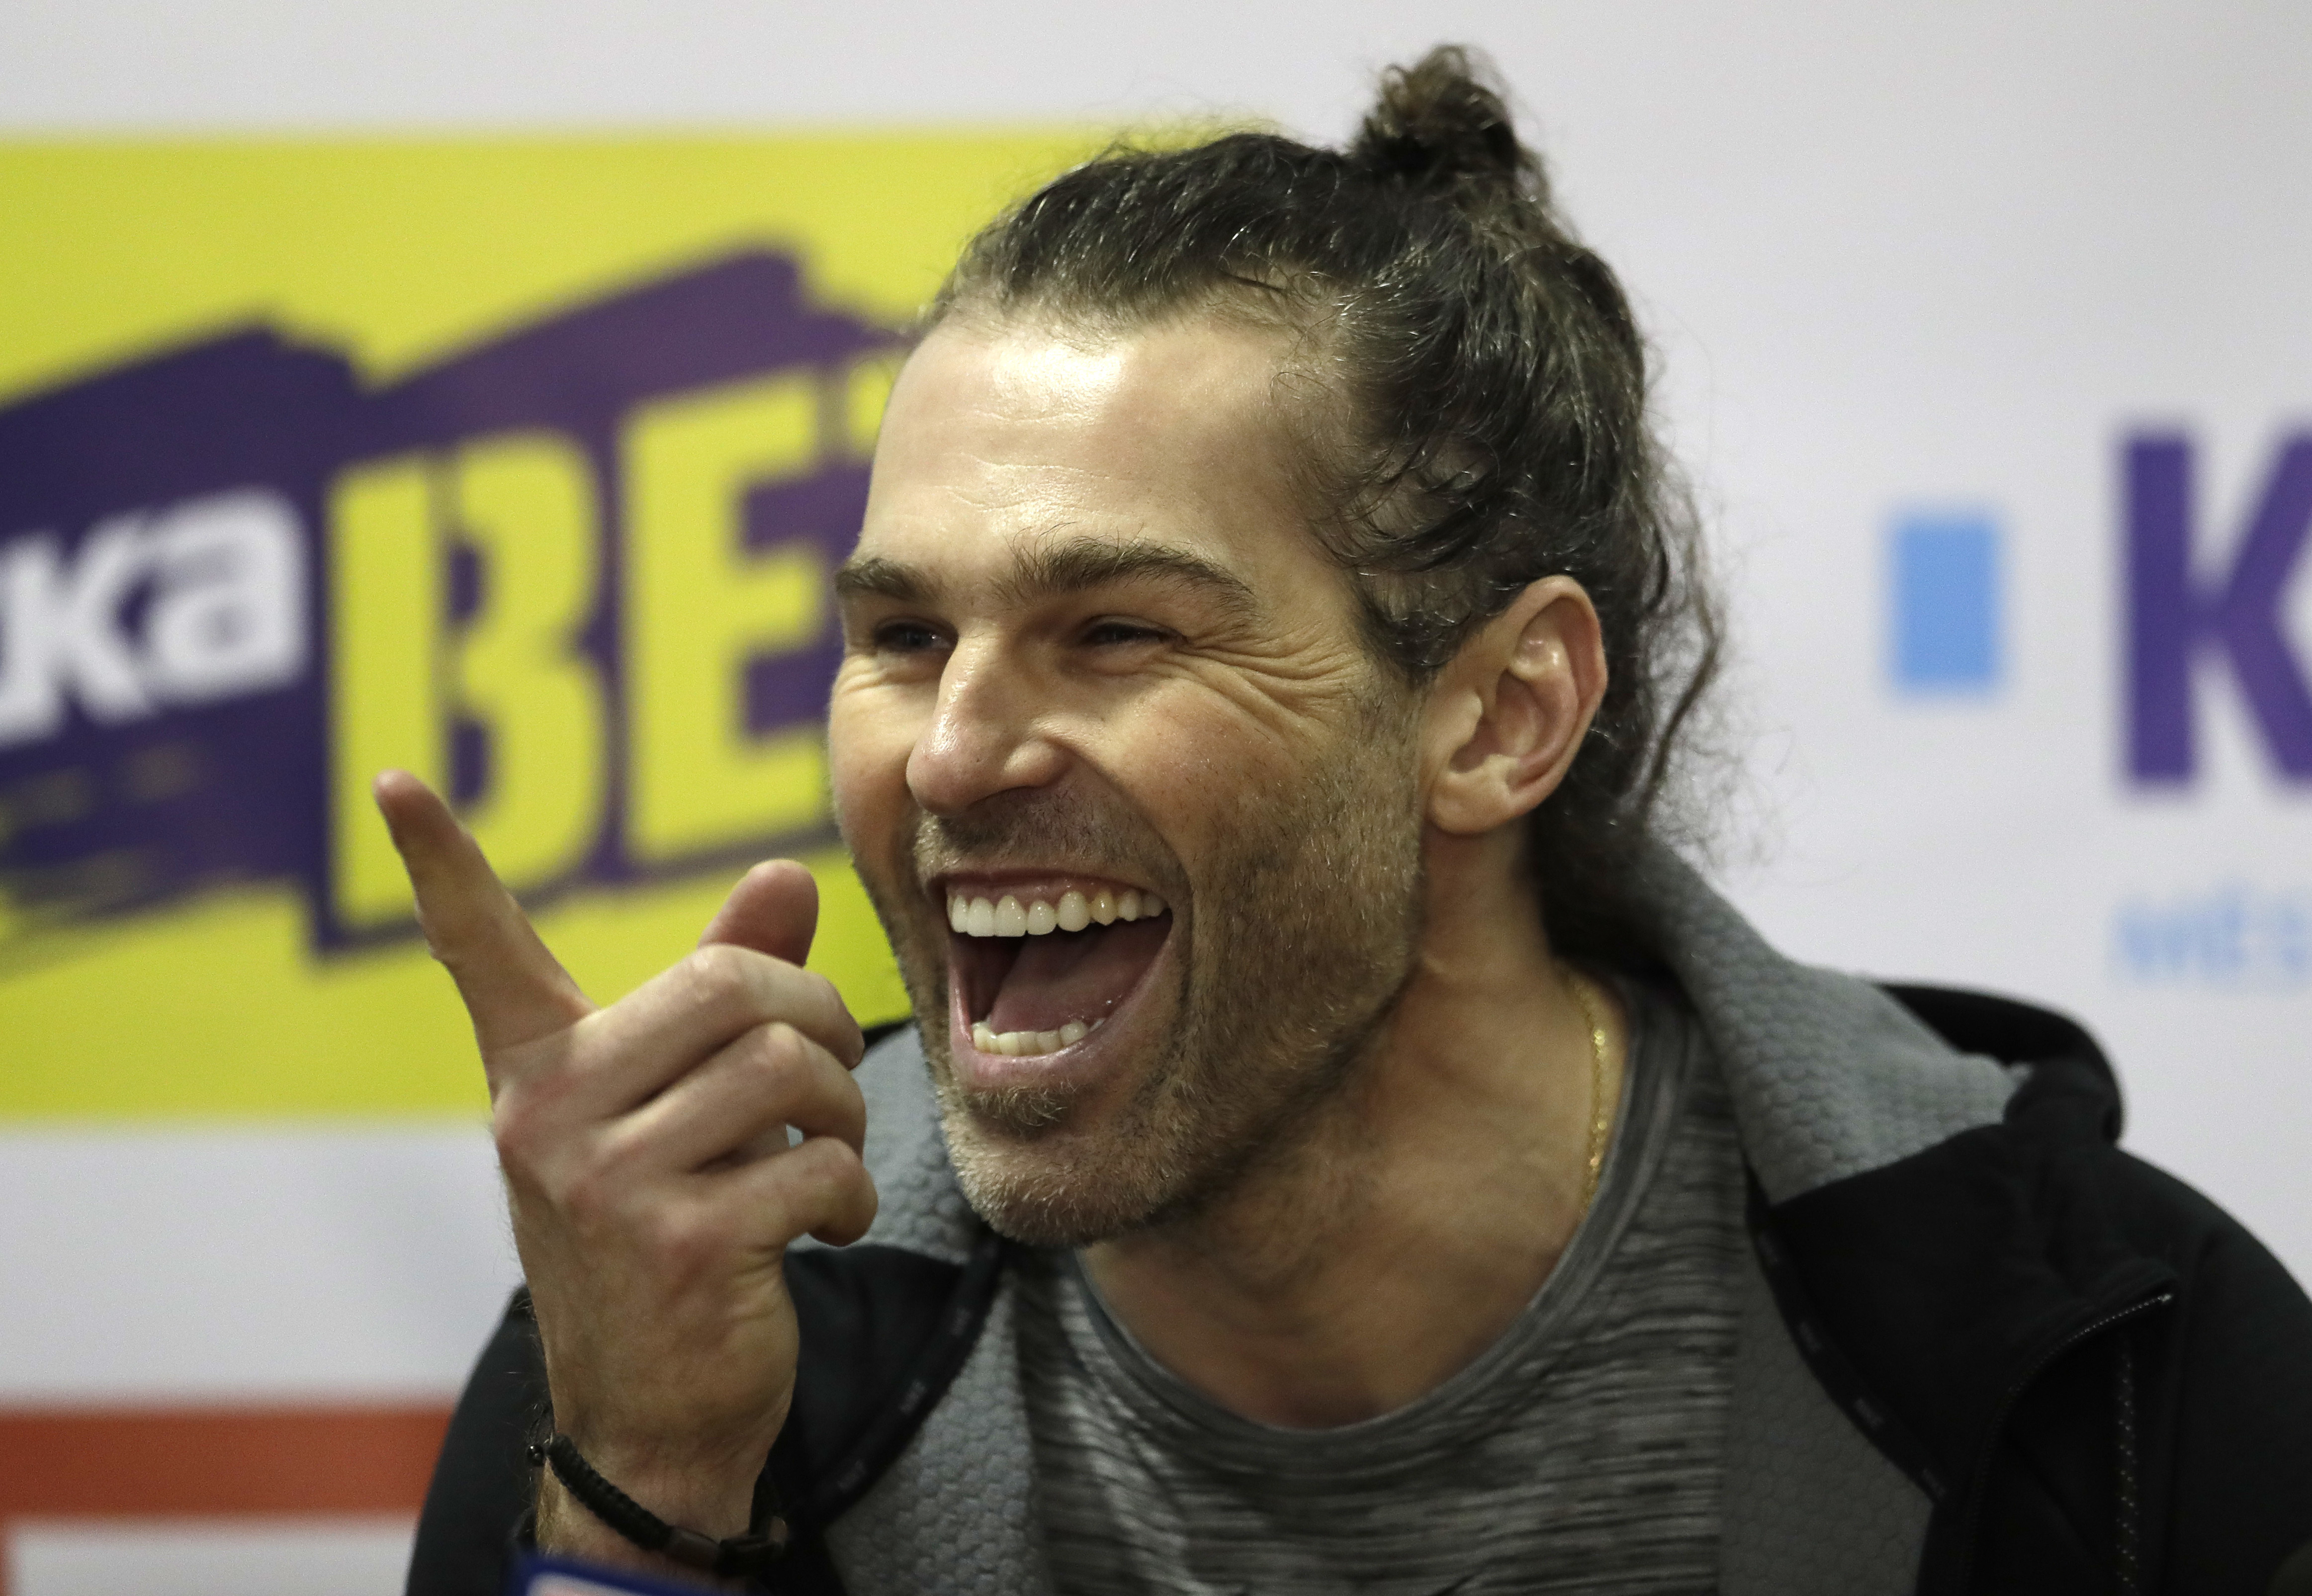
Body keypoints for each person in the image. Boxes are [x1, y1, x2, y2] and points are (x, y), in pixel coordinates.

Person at [394, 46, 2312, 1596]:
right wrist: (647, 1488)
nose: (953, 753)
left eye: (1116, 630)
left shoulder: (2113, 1371)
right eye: (903, 632)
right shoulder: (694, 1337)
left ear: (1498, 714)